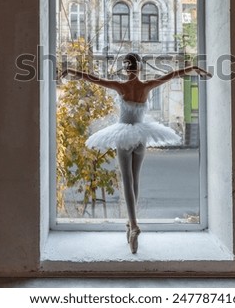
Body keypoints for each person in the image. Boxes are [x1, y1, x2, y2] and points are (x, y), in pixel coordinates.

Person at [62, 53, 211, 254]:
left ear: (126, 69)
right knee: (136, 182)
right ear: (139, 68)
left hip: (123, 135)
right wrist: (194, 69)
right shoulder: (146, 86)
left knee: (127, 181)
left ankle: (133, 226)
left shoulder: (120, 86)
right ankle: (130, 224)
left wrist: (72, 71)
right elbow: (173, 74)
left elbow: (93, 78)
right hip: (141, 136)